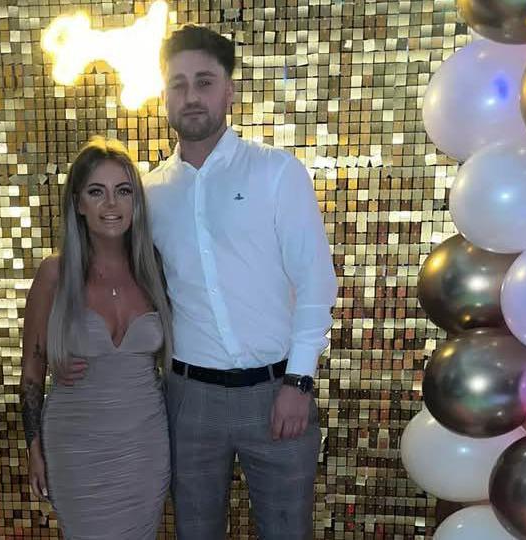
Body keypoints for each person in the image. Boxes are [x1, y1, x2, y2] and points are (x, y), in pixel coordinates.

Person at [146, 25, 337, 539]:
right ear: (165, 94)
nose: (191, 96)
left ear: (229, 90)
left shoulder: (276, 173)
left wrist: (299, 381)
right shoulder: (150, 193)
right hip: (189, 400)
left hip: (276, 394)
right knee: (195, 531)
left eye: (204, 81)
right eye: (178, 84)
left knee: (285, 529)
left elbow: (317, 282)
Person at [20, 137, 173, 539]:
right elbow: (31, 373)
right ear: (78, 203)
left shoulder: (154, 269)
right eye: (96, 192)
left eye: (123, 191)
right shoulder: (54, 275)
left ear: (136, 202)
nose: (111, 205)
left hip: (145, 444)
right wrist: (34, 450)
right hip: (77, 446)